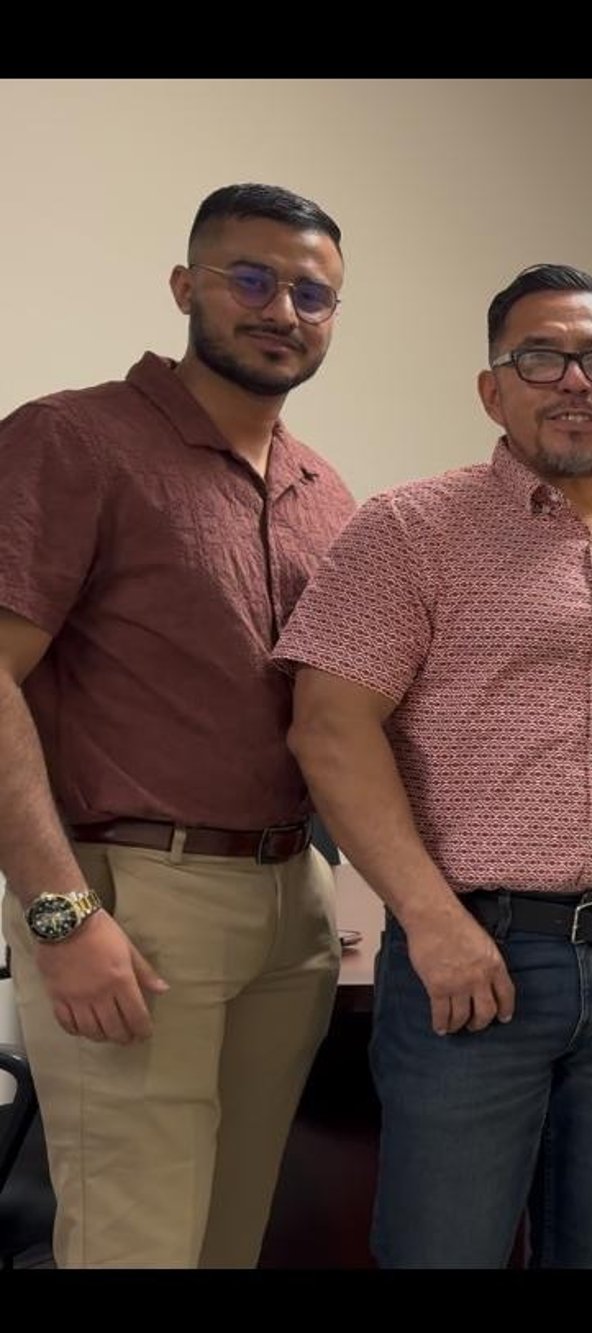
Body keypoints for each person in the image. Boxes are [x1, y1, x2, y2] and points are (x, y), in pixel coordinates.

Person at [271, 263, 592, 1269]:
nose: (573, 379)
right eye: (540, 356)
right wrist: (432, 919)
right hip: (475, 960)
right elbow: (330, 728)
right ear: (493, 389)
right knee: (442, 1246)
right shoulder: (411, 531)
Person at [0, 183, 354, 1268]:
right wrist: (60, 913)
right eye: (251, 278)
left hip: (293, 902)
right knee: (134, 1243)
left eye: (311, 291)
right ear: (185, 286)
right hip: (132, 900)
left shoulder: (322, 490)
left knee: (230, 1238)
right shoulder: (73, 440)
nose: (281, 309)